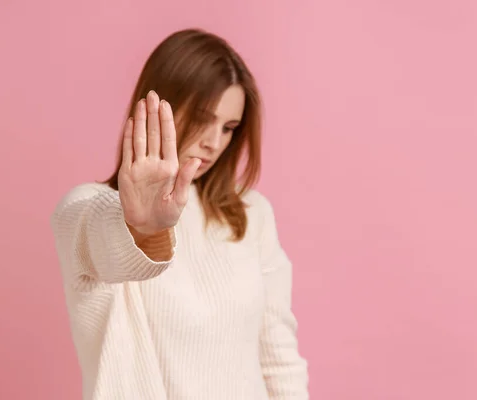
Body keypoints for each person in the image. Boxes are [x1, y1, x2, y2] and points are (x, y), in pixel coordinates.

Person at [50, 28, 309, 400]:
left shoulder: (251, 215)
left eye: (229, 128)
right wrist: (141, 226)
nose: (214, 142)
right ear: (160, 108)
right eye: (203, 118)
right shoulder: (86, 209)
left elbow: (278, 356)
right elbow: (103, 242)